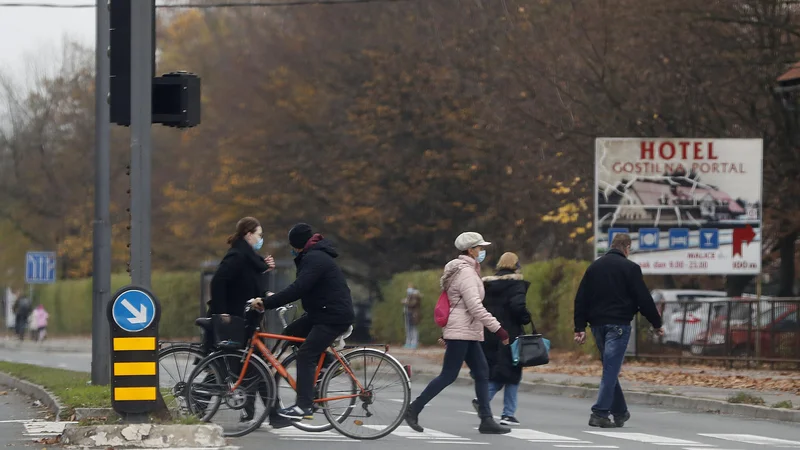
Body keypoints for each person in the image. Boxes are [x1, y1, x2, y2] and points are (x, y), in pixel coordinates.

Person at [405, 232, 511, 435]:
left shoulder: (466, 270)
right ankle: (413, 409)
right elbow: (474, 307)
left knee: (482, 373)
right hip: (462, 331)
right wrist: (498, 329)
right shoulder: (466, 273)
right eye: (480, 248)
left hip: (467, 331)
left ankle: (486, 420)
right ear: (471, 250)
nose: (482, 252)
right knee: (448, 375)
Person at [261, 223, 355, 421]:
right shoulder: (313, 255)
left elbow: (298, 289)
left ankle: (304, 406)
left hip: (333, 316)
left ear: (297, 245)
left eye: (292, 246)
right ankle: (329, 363)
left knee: (306, 355)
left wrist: (267, 303)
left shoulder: (315, 259)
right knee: (290, 333)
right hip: (321, 312)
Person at [573, 233, 664, 428]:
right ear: (626, 247)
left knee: (609, 370)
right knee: (611, 370)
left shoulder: (594, 267)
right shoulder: (630, 268)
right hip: (619, 326)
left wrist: (579, 327)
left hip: (597, 325)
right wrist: (656, 323)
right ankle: (599, 413)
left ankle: (620, 412)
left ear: (611, 246)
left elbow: (581, 298)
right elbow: (644, 299)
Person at [207, 217, 276, 423]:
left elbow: (247, 285)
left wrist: (265, 293)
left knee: (255, 365)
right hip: (236, 319)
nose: (260, 238)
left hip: (247, 318)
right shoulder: (238, 256)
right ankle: (199, 403)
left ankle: (269, 412)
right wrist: (222, 312)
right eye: (259, 234)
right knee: (230, 366)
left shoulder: (248, 258)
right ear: (248, 234)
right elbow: (219, 282)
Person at [475, 252, 532, 427]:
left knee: (497, 370)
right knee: (512, 373)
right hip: (510, 334)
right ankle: (502, 410)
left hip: (489, 333)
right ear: (516, 265)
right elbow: (517, 307)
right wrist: (526, 317)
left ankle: (494, 405)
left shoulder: (486, 284)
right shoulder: (516, 285)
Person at [403, 283, 422, 349]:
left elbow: (413, 304)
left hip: (413, 314)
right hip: (409, 313)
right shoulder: (410, 295)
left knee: (413, 329)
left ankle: (414, 343)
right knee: (408, 329)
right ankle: (409, 342)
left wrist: (405, 302)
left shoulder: (415, 295)